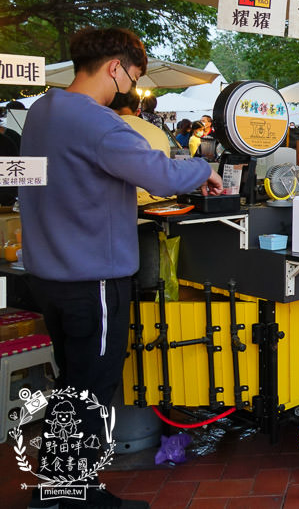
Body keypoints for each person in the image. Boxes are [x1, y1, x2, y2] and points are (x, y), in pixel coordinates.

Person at [20, 27, 222, 509]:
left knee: (72, 384)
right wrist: (202, 170)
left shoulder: (41, 112)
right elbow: (157, 172)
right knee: (92, 389)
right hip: (92, 278)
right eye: (133, 75)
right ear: (115, 67)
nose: (131, 85)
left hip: (46, 275)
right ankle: (74, 500)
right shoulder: (99, 123)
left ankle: (58, 492)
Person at [110, 88, 173, 206]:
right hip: (160, 204)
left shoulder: (107, 129)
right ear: (138, 111)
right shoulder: (159, 132)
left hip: (125, 206)